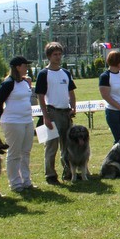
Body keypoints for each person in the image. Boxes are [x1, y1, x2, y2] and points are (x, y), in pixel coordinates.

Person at [35, 42, 77, 185]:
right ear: (49, 56)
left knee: (67, 145)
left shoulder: (65, 73)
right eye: (55, 55)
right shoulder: (43, 74)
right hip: (52, 112)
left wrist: (73, 107)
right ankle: (51, 175)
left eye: (60, 54)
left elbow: (71, 92)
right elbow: (40, 96)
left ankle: (68, 172)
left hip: (66, 113)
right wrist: (45, 116)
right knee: (51, 146)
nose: (58, 57)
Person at [0, 56, 36, 193]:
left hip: (27, 120)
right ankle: (15, 183)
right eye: (25, 65)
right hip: (13, 122)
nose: (27, 68)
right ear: (17, 67)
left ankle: (26, 180)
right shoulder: (8, 83)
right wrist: (3, 117)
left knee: (26, 152)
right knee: (14, 153)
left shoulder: (24, 82)